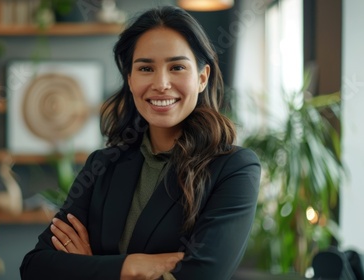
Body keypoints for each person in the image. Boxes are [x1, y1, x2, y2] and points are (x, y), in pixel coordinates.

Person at [20, 5, 260, 280]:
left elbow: (203, 275)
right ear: (130, 79)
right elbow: (35, 267)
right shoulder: (103, 165)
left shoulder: (234, 168)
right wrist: (133, 266)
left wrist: (91, 269)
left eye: (177, 67)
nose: (161, 83)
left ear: (202, 78)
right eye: (146, 68)